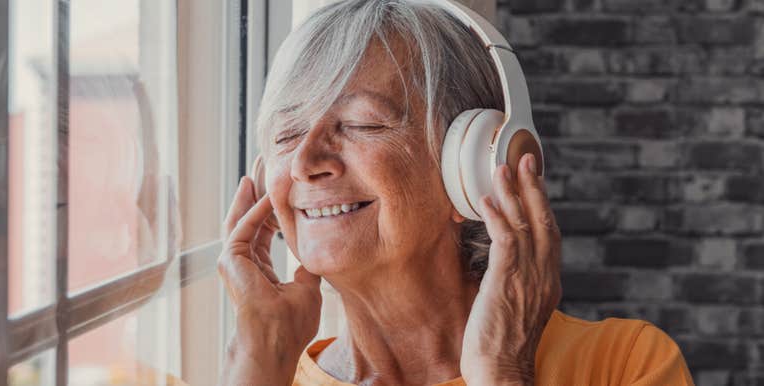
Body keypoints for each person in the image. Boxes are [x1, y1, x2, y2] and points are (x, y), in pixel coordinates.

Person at [217, 1, 695, 385]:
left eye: (362, 123)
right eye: (285, 135)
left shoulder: (626, 366)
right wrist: (254, 364)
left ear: (474, 166)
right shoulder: (268, 377)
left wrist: (504, 373)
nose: (304, 162)